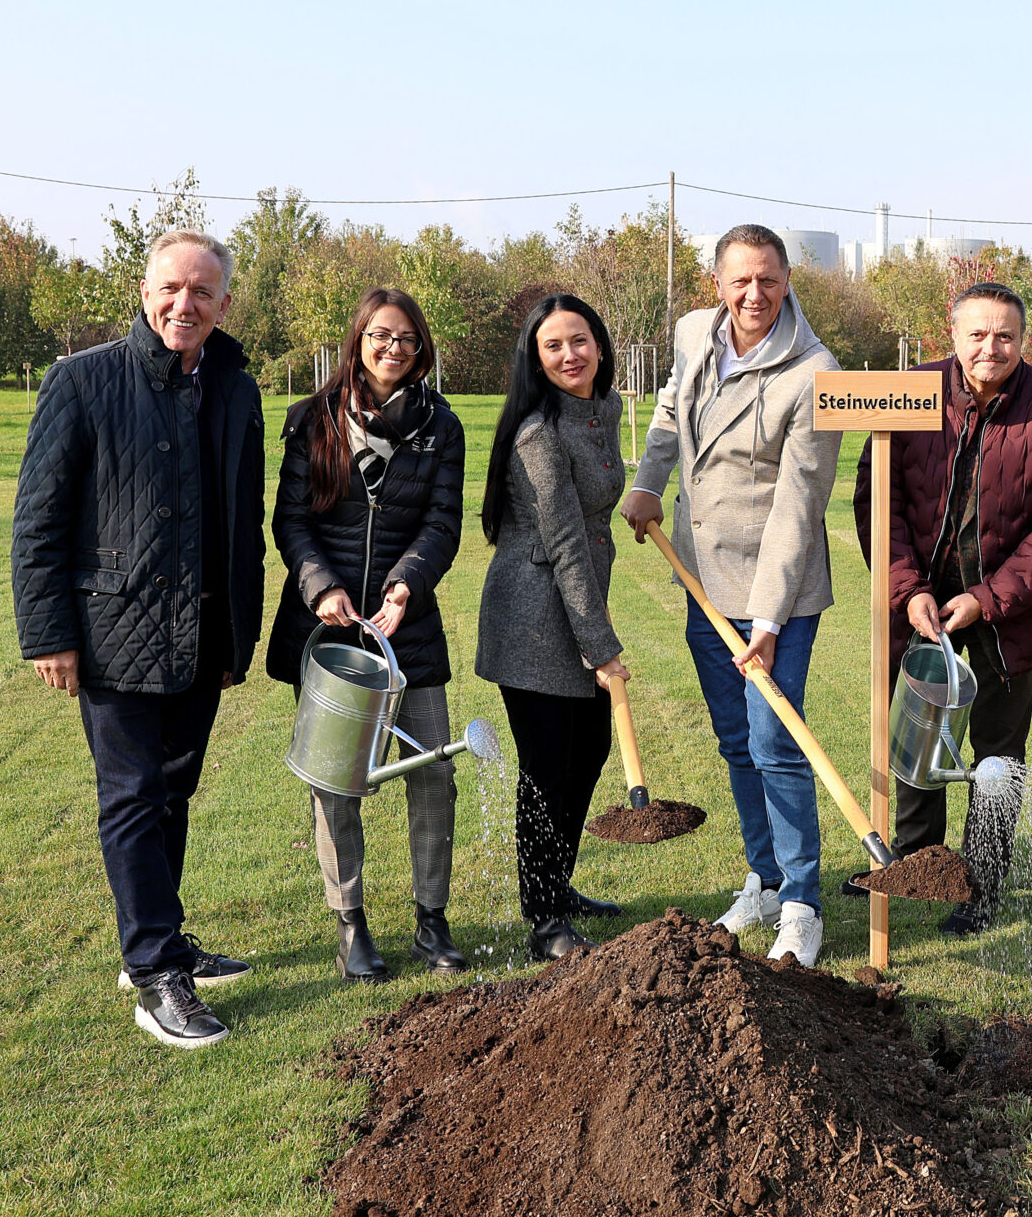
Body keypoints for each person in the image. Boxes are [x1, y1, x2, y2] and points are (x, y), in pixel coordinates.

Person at [12, 229, 263, 1049]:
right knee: (130, 797)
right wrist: (49, 633)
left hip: (201, 636)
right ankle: (157, 973)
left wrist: (238, 634)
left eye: (201, 292)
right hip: (112, 634)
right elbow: (39, 522)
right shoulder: (82, 381)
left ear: (224, 303)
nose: (183, 305)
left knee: (174, 793)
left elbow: (243, 520)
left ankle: (156, 939)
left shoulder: (237, 387)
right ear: (144, 291)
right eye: (170, 289)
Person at [619, 223, 843, 968]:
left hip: (776, 589)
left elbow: (798, 504)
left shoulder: (813, 372)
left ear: (788, 282)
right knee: (734, 740)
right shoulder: (692, 333)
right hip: (703, 578)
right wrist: (650, 480)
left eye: (769, 279)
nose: (755, 293)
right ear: (717, 281)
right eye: (741, 279)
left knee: (776, 740)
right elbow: (668, 408)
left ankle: (804, 904)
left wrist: (771, 619)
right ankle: (767, 878)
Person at [851, 280, 1032, 933]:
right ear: (952, 335)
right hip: (919, 606)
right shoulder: (910, 393)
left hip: (1008, 614)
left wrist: (987, 599)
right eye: (978, 334)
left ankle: (980, 885)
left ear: (1024, 339)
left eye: (1005, 335)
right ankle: (918, 860)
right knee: (915, 736)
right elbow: (878, 500)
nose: (991, 346)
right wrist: (909, 590)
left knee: (995, 757)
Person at [265, 288, 468, 983]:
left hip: (408, 630)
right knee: (336, 782)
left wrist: (407, 584)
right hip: (331, 632)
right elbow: (290, 522)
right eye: (381, 336)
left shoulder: (443, 426)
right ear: (358, 340)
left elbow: (443, 524)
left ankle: (431, 920)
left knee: (434, 773)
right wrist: (322, 586)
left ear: (421, 350)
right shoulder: (311, 421)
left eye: (407, 340)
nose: (393, 349)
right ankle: (350, 924)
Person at [476, 293, 633, 964]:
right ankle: (544, 920)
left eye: (580, 340)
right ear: (536, 360)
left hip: (575, 601)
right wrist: (600, 645)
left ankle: (555, 884)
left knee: (590, 748)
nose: (570, 354)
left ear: (599, 343)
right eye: (553, 346)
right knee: (548, 767)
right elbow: (565, 539)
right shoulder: (538, 432)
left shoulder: (605, 410)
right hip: (532, 616)